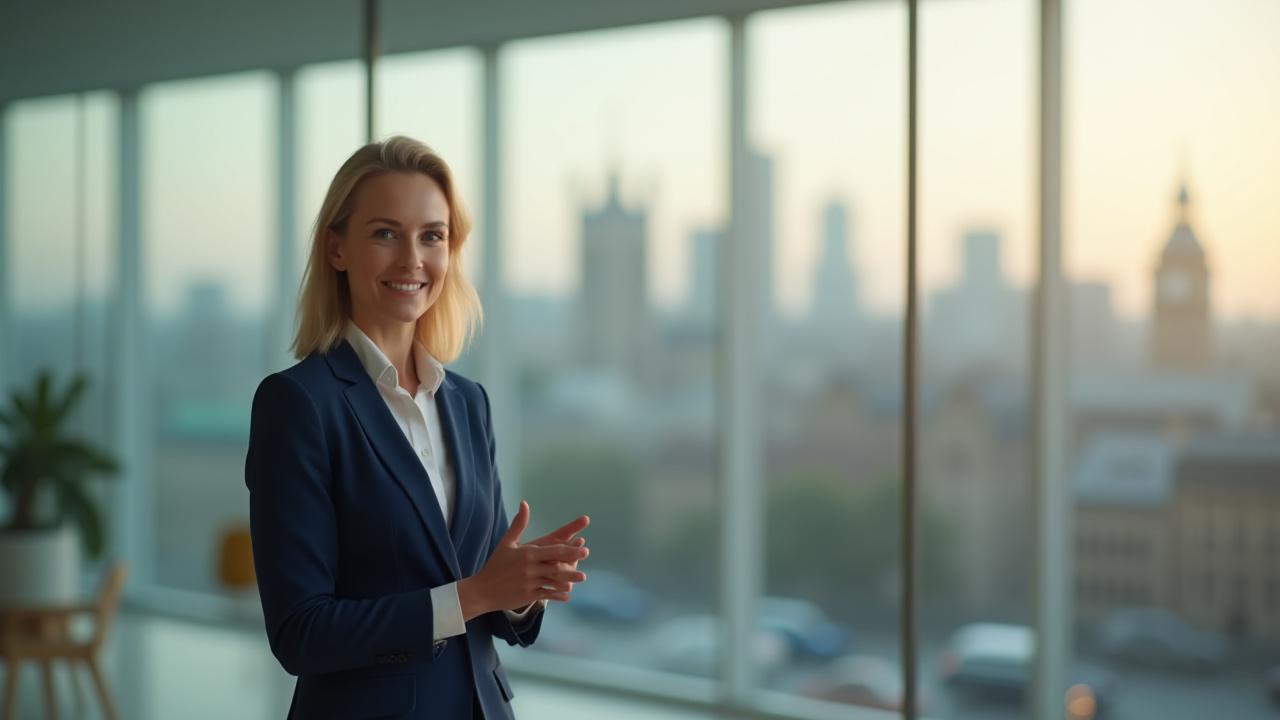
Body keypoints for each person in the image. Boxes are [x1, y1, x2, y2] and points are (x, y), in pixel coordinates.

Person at [245, 135, 589, 719]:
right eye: (385, 233)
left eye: (433, 236)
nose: (413, 260)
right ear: (337, 249)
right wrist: (475, 594)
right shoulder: (299, 404)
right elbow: (301, 632)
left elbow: (484, 592)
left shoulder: (467, 403)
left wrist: (521, 592)